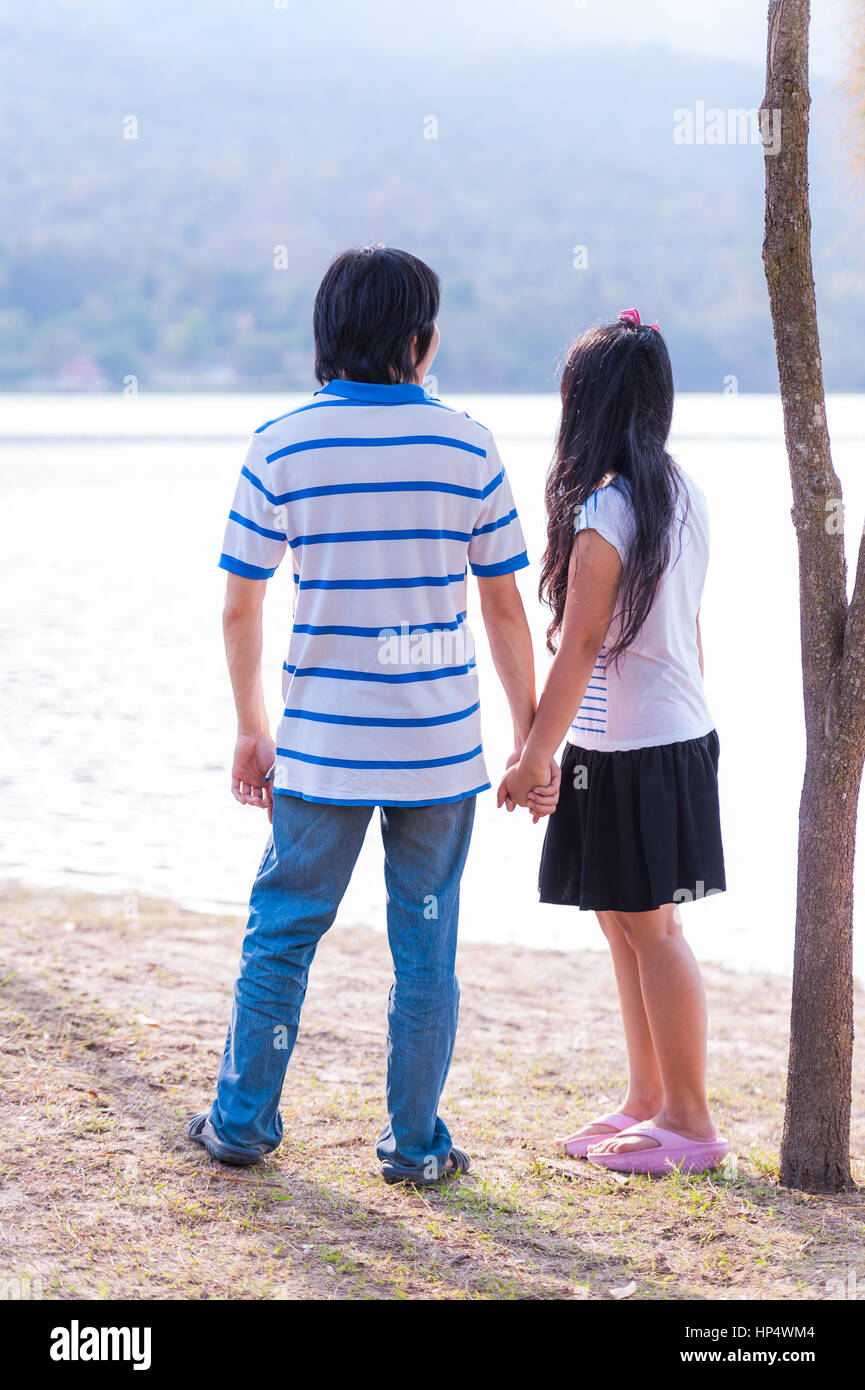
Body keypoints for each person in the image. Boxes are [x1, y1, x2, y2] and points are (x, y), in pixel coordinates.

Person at [189, 245, 558, 1183]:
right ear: (419, 342)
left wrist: (249, 727)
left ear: (326, 335)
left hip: (320, 748)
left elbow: (241, 600)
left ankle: (241, 1124)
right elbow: (505, 607)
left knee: (282, 932)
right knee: (424, 947)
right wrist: (528, 739)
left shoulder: (280, 442)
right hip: (438, 754)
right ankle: (415, 1145)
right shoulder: (468, 443)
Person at [500, 309, 728, 1175]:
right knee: (622, 923)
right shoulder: (679, 493)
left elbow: (583, 643)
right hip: (651, 738)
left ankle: (691, 1123)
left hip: (641, 744)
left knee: (650, 927)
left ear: (581, 404)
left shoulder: (608, 508)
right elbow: (681, 631)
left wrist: (530, 758)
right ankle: (647, 1100)